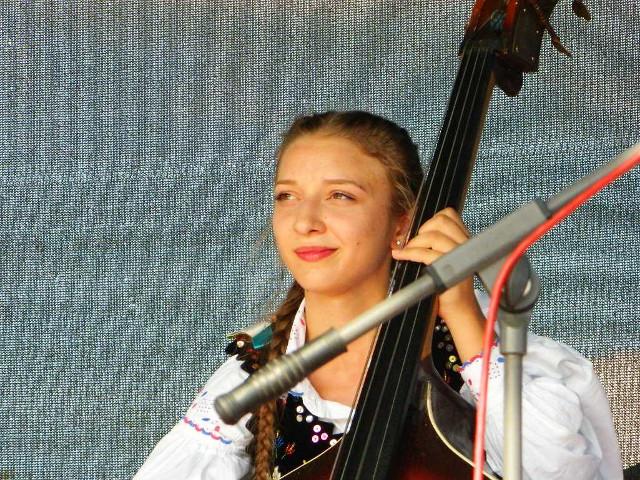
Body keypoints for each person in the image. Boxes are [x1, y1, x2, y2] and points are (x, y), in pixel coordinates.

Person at [134, 111, 623, 480]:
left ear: (401, 223)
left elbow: (561, 471)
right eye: (287, 196)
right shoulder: (257, 371)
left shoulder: (484, 352)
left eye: (340, 195)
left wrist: (461, 311)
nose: (305, 221)